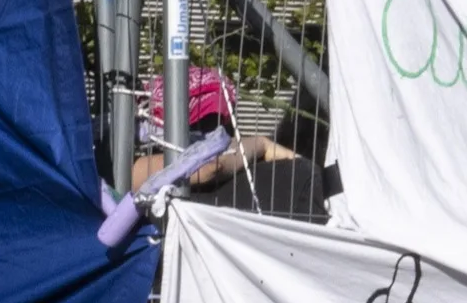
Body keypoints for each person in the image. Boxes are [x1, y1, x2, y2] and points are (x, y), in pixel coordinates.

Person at [127, 67, 334, 222]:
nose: (219, 132)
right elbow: (209, 165)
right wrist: (261, 144)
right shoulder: (142, 170)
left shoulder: (137, 172)